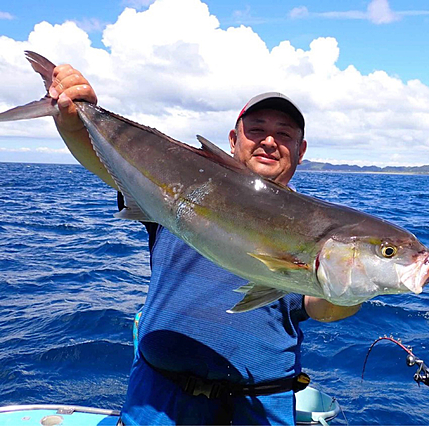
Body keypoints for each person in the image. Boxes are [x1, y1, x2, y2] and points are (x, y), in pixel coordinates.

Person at [49, 64, 361, 425]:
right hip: (159, 398)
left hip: (259, 405)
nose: (269, 141)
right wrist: (71, 117)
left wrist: (352, 288)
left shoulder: (322, 228)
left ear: (301, 149)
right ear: (233, 140)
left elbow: (321, 307)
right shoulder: (181, 185)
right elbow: (101, 163)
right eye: (256, 130)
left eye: (284, 134)